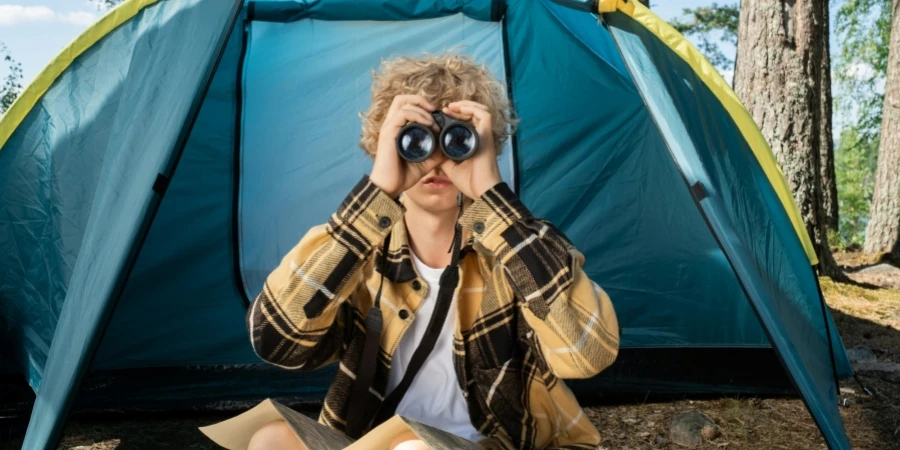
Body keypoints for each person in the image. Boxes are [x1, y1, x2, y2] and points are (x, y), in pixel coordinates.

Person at [244, 53, 620, 450]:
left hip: (482, 444)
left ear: (487, 146)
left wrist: (493, 199)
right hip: (373, 440)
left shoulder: (520, 247)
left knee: (412, 447)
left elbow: (588, 354)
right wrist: (378, 192)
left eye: (458, 139)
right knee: (271, 440)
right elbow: (276, 342)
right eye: (416, 139)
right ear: (382, 143)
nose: (437, 159)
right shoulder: (356, 250)